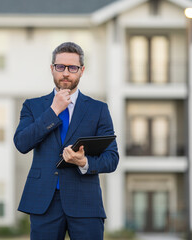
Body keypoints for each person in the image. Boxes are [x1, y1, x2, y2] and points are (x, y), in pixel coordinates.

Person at [14, 42, 119, 240]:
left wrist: (84, 162)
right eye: (60, 67)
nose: (66, 73)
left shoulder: (98, 109)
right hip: (44, 201)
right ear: (52, 68)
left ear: (82, 71)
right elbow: (21, 143)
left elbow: (112, 158)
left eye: (73, 68)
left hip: (85, 201)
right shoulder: (33, 106)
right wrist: (53, 111)